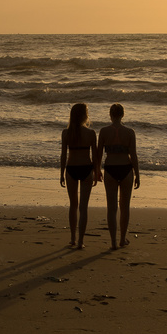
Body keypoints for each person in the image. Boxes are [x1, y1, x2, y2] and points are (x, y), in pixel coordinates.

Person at [96, 103, 140, 249]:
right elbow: (133, 155)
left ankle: (113, 241)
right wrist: (137, 175)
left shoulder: (104, 131)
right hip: (126, 169)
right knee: (125, 207)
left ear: (110, 114)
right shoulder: (129, 132)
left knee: (112, 207)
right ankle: (122, 239)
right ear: (122, 114)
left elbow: (99, 154)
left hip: (110, 169)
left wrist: (97, 170)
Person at [58, 102, 97, 250]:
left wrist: (61, 173)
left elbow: (63, 155)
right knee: (83, 207)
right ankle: (81, 240)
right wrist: (96, 171)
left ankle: (73, 238)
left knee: (73, 205)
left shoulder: (66, 133)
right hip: (87, 169)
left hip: (71, 169)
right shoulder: (91, 133)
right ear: (84, 115)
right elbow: (95, 156)